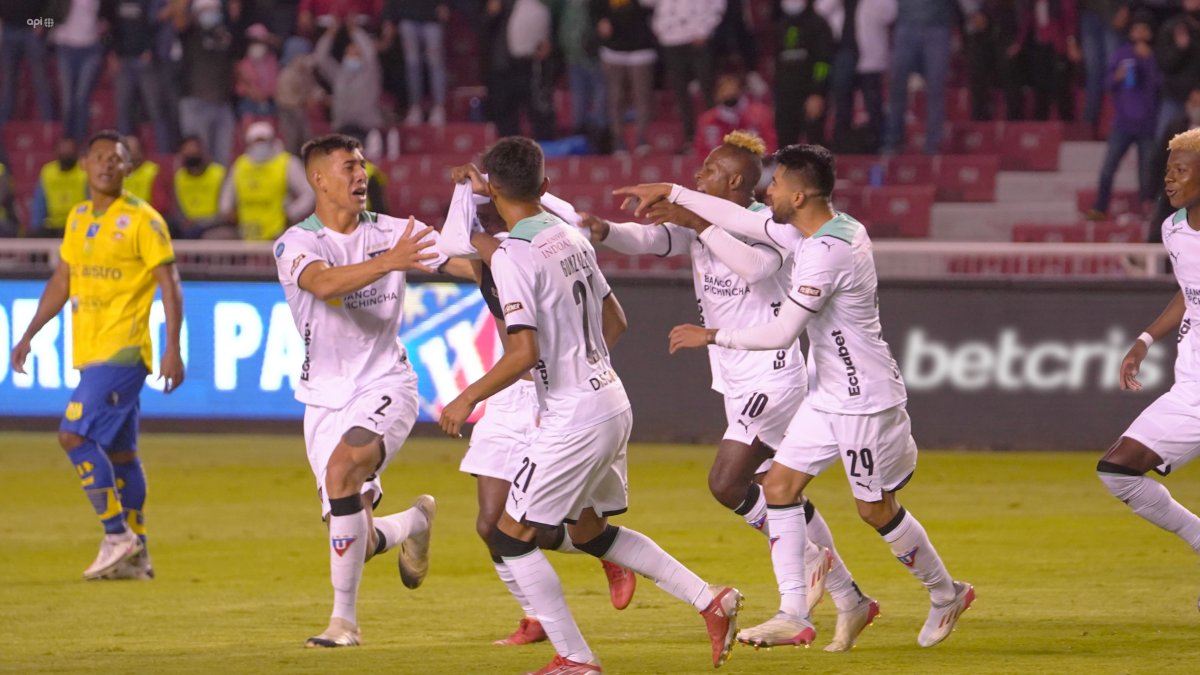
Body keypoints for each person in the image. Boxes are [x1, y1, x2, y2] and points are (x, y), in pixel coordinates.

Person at [615, 143, 973, 649]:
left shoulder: (829, 252)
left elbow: (783, 331)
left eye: (778, 184)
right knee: (779, 487)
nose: (769, 191)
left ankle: (946, 592)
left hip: (864, 400)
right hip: (827, 394)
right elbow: (742, 220)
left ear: (799, 196)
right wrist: (674, 192)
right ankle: (793, 613)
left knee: (875, 509)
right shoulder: (816, 229)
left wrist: (712, 335)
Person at [438, 136, 743, 674]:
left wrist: (466, 398)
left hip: (574, 413)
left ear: (495, 189)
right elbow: (616, 320)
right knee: (589, 532)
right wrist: (582, 363)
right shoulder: (570, 237)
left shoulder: (512, 256)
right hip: (610, 398)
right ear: (545, 185)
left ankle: (576, 658)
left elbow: (523, 352)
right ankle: (709, 599)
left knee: (510, 536)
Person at [590, 130, 878, 652]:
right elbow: (649, 239)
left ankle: (807, 564)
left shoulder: (770, 226)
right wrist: (603, 230)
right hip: (736, 378)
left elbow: (755, 267)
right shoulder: (702, 222)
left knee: (727, 483)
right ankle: (850, 596)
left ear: (735, 182)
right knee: (776, 487)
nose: (698, 177)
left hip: (773, 373)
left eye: (708, 171)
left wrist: (696, 221)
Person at [273, 133, 467, 647]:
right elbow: (323, 284)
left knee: (343, 470)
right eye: (348, 167)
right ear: (319, 179)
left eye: (362, 165)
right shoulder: (296, 243)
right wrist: (389, 262)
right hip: (323, 398)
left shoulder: (396, 231)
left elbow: (463, 264)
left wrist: (513, 265)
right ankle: (413, 523)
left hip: (387, 382)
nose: (361, 175)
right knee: (355, 534)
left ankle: (343, 624)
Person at [436, 164, 638, 647]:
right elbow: (444, 247)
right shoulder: (484, 260)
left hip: (559, 396)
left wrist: (580, 363)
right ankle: (536, 617)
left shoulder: (543, 248)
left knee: (545, 528)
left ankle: (605, 554)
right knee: (491, 523)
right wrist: (464, 191)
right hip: (510, 393)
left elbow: (562, 218)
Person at [10, 129, 185, 581]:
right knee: (121, 454)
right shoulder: (78, 217)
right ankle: (138, 555)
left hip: (124, 351)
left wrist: (173, 347)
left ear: (129, 168)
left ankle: (116, 535)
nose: (107, 163)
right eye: (100, 156)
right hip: (91, 351)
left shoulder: (143, 219)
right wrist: (29, 333)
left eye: (116, 158)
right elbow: (62, 281)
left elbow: (170, 285)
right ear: (85, 165)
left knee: (73, 435)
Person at [1098, 127, 1200, 601]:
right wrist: (1145, 339)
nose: (1169, 179)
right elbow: (1189, 289)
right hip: (1191, 387)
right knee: (1117, 470)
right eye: (1168, 170)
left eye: (1181, 170)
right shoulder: (1173, 229)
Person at [1088, 13, 1161, 220]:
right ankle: (1099, 207)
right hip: (1122, 123)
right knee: (1108, 168)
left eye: (1144, 29)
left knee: (1146, 174)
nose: (1140, 33)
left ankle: (1146, 211)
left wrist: (1147, 60)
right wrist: (1117, 76)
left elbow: (1159, 85)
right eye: (1136, 29)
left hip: (1147, 125)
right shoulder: (1121, 54)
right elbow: (1107, 84)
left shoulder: (1156, 57)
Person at [645, 0, 727, 154]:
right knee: (680, 91)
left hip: (697, 37)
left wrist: (704, 29)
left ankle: (716, 137)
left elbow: (718, 5)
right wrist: (660, 28)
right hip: (671, 39)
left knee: (708, 89)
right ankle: (690, 138)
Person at [220, 121, 314, 241]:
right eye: (256, 142)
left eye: (263, 141)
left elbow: (309, 193)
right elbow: (226, 197)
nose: (260, 146)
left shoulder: (287, 163)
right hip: (246, 231)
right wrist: (228, 211)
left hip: (280, 232)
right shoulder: (240, 165)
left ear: (272, 141)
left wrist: (291, 213)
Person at [592, 0, 658, 155]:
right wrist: (599, 21)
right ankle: (618, 141)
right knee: (615, 98)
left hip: (641, 47)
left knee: (642, 96)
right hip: (613, 49)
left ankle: (642, 139)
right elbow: (593, 8)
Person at [773, 3, 833, 150]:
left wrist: (817, 93)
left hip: (809, 96)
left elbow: (823, 63)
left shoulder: (819, 24)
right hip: (785, 98)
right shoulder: (780, 24)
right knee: (785, 148)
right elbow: (777, 62)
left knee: (815, 148)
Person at [313, 18, 384, 136]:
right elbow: (321, 58)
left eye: (356, 53)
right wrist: (330, 34)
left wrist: (355, 31)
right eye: (349, 53)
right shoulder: (339, 75)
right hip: (342, 129)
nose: (352, 56)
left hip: (366, 129)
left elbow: (370, 52)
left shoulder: (370, 72)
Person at [387, 0, 450, 126]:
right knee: (412, 65)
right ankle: (415, 107)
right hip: (407, 14)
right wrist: (389, 16)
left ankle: (439, 107)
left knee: (435, 63)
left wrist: (445, 4)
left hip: (432, 14)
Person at [696, 74, 777, 157]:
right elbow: (702, 149)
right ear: (717, 95)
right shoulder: (708, 120)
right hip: (722, 162)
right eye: (724, 90)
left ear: (740, 91)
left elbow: (770, 141)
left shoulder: (760, 113)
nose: (729, 93)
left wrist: (761, 159)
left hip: (758, 160)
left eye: (732, 89)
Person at [169, 135, 229, 239]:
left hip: (214, 225)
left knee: (211, 236)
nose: (191, 153)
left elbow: (225, 213)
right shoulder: (179, 177)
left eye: (194, 150)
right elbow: (177, 211)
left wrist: (201, 223)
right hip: (188, 226)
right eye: (187, 151)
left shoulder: (219, 174)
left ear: (203, 152)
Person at [30, 137, 89, 237]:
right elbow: (39, 204)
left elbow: (91, 199)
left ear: (76, 152)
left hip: (79, 224)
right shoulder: (48, 173)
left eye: (69, 151)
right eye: (63, 151)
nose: (66, 154)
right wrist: (35, 227)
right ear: (56, 152)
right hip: (53, 226)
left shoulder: (84, 171)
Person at [123, 135, 170, 214]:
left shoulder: (153, 172)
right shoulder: (117, 175)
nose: (131, 156)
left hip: (147, 216)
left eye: (134, 151)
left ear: (141, 153)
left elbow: (160, 205)